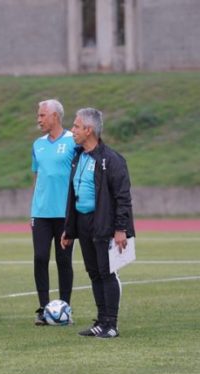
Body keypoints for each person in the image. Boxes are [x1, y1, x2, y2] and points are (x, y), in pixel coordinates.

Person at [61, 107, 135, 339]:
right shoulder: (77, 157)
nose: (72, 130)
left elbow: (123, 197)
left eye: (76, 126)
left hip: (103, 223)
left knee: (107, 272)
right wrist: (69, 229)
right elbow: (74, 196)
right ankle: (101, 321)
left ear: (89, 130)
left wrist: (121, 229)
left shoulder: (111, 160)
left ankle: (110, 324)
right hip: (83, 223)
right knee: (93, 272)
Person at [30, 99, 76, 325]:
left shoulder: (72, 142)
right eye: (38, 116)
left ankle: (65, 307)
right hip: (40, 213)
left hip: (65, 214)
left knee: (63, 260)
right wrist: (33, 205)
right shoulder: (37, 144)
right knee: (40, 258)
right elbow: (37, 176)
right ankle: (43, 308)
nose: (38, 120)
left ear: (55, 116)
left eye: (42, 115)